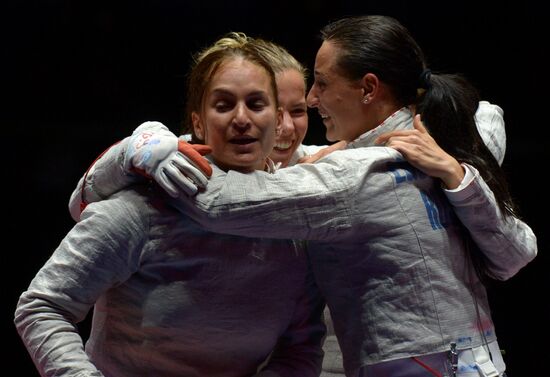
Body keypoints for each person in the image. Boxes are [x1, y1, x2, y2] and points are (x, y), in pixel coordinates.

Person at [66, 30, 535, 376]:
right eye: (234, 105)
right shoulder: (358, 159)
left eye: (299, 108)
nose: (291, 125)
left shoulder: (356, 169)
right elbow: (83, 205)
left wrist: (143, 146)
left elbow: (221, 200)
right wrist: (143, 148)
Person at [14, 33, 326, 377]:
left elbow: (301, 345)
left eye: (256, 104)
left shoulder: (295, 218)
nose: (241, 119)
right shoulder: (144, 206)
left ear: (277, 116)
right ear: (197, 122)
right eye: (223, 105)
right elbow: (43, 307)